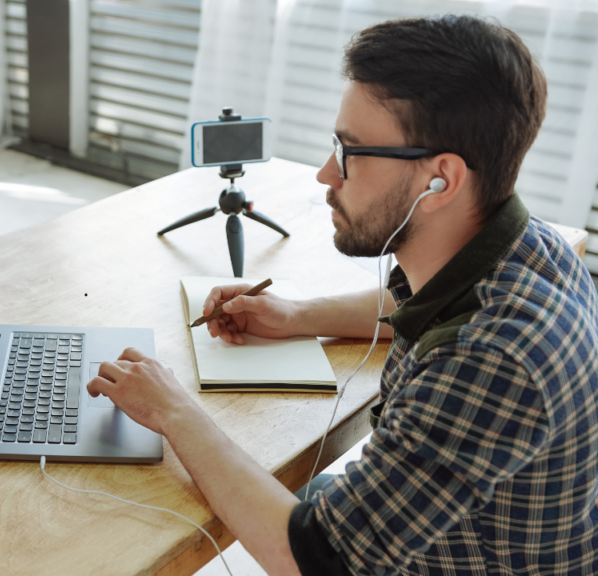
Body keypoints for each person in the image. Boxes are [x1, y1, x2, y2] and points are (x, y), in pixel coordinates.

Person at [86, 14, 598, 576]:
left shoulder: (496, 357)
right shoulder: (526, 243)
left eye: (350, 152)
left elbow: (312, 558)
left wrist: (174, 410)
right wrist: (295, 316)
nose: (326, 174)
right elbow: (417, 306)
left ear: (440, 181)